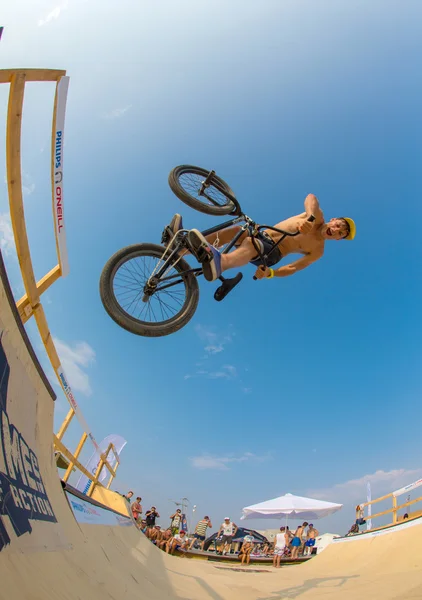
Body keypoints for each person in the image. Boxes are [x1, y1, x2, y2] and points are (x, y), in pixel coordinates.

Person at [168, 195, 356, 282]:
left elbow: (294, 267)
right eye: (338, 225)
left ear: (338, 240)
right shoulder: (317, 216)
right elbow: (311, 198)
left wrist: (270, 274)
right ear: (332, 221)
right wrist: (310, 217)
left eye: (341, 233)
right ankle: (181, 249)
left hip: (273, 253)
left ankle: (221, 263)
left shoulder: (318, 250)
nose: (337, 230)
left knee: (250, 243)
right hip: (261, 233)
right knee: (235, 232)